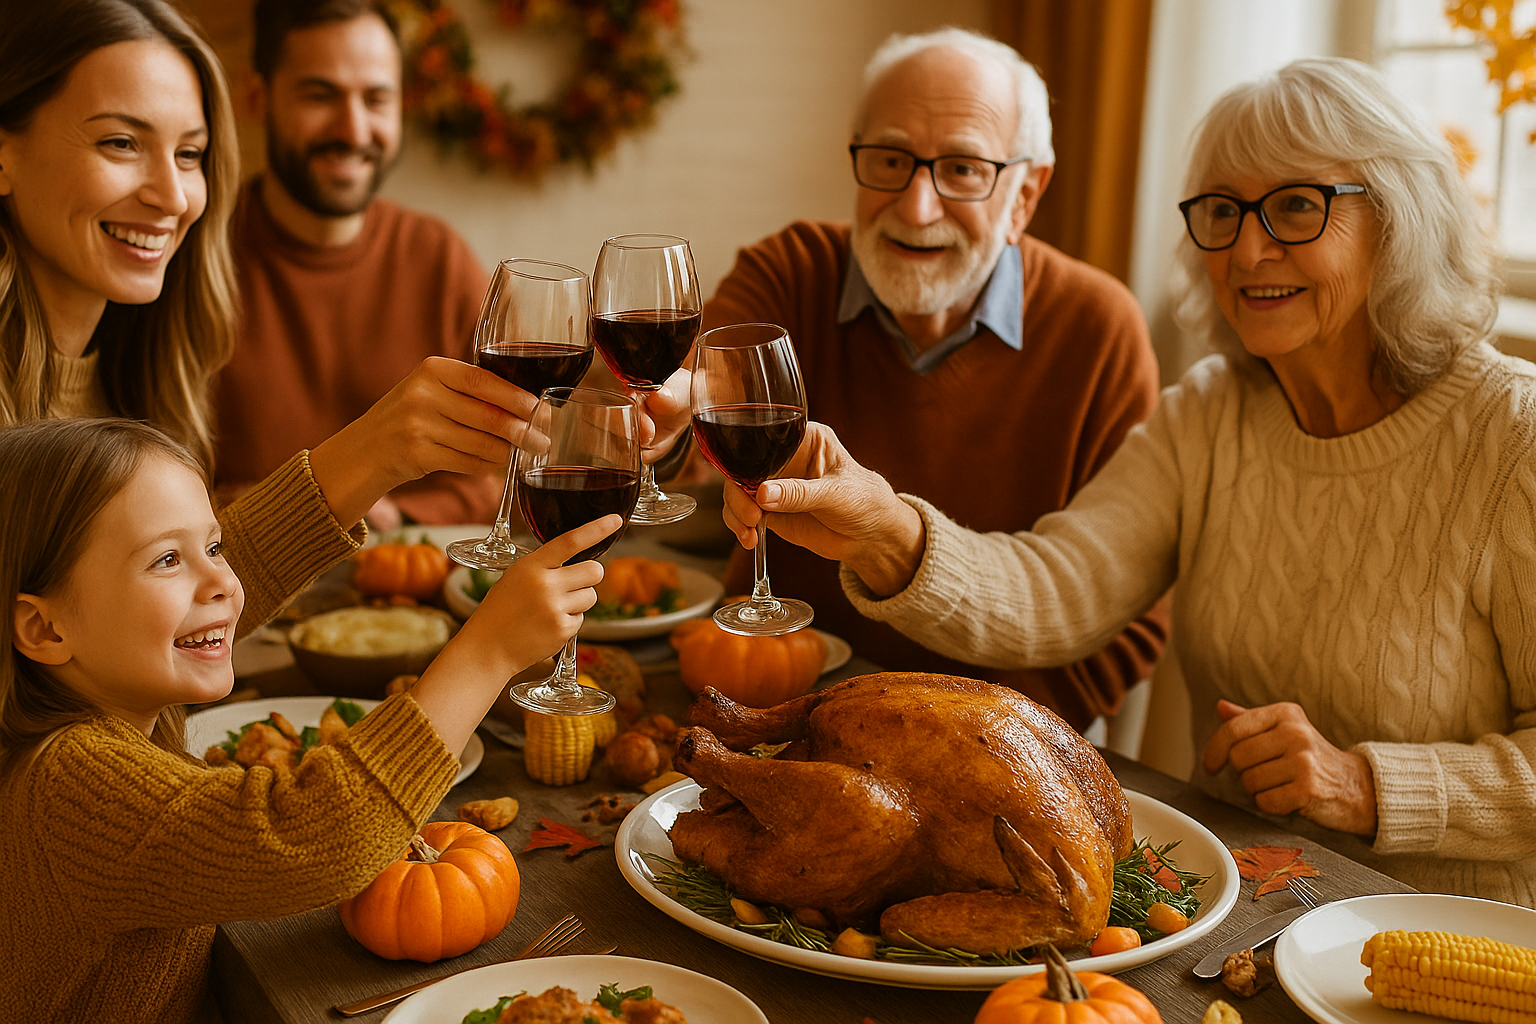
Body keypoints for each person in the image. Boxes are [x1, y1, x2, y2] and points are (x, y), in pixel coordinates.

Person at [721, 58, 1536, 907]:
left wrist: (1365, 786)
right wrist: (887, 528)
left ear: (1400, 222)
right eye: (1223, 211)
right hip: (1248, 908)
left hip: (1465, 929)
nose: (1250, 250)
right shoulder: (1210, 417)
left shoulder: (1515, 435)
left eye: (1297, 205)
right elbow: (1056, 591)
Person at [0, 417, 619, 1022]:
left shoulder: (103, 692)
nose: (223, 579)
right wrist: (488, 653)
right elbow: (310, 837)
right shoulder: (67, 785)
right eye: (166, 560)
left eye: (214, 546)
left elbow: (226, 569)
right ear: (44, 627)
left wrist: (378, 448)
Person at [700, 28, 1167, 730]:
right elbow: (698, 400)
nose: (917, 207)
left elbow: (1125, 623)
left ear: (1025, 194)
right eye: (890, 159)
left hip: (997, 746)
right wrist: (666, 424)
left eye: (963, 170)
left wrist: (956, 746)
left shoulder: (1100, 329)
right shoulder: (790, 272)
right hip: (779, 713)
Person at [0, 0, 542, 598]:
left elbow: (170, 616)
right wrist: (372, 453)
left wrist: (651, 422)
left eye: (189, 155)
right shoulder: (189, 288)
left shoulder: (142, 347)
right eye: (121, 142)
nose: (173, 198)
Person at [213, 0, 497, 529]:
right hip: (238, 597)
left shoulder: (437, 256)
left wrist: (396, 515)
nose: (352, 128)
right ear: (258, 99)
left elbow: (513, 463)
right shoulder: (194, 262)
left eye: (375, 98)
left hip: (424, 589)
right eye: (320, 95)